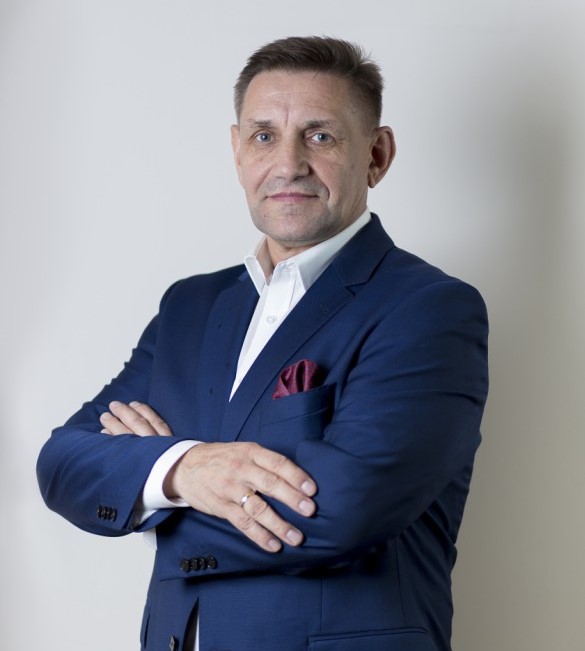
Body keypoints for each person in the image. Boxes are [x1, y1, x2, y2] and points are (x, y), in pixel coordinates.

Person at [37, 36, 489, 651]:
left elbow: (345, 509)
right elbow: (63, 462)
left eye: (320, 136)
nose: (288, 163)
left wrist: (150, 483)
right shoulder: (190, 308)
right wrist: (185, 468)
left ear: (377, 154)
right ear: (237, 150)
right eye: (264, 136)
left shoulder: (428, 309)